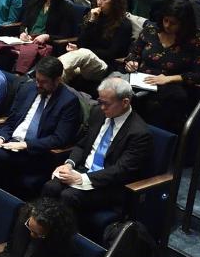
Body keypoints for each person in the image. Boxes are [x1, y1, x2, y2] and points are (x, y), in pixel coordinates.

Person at [0, 57, 85, 194]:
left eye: (43, 82)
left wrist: (26, 145)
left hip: (34, 152)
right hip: (9, 144)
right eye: (37, 79)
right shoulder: (28, 89)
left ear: (57, 80)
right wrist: (1, 136)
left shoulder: (68, 102)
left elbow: (59, 138)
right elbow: (12, 120)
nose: (38, 84)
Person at [43, 77, 153, 215]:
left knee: (68, 196)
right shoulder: (98, 113)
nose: (102, 107)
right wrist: (69, 164)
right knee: (51, 187)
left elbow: (122, 170)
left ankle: (63, 234)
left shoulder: (139, 133)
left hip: (109, 184)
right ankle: (42, 229)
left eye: (107, 104)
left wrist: (83, 179)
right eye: (100, 102)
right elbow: (82, 144)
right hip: (83, 170)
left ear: (125, 102)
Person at [125, 0, 200, 131]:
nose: (167, 26)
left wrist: (168, 79)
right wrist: (132, 62)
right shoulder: (151, 30)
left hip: (171, 86)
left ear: (184, 24)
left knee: (160, 102)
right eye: (165, 20)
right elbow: (133, 52)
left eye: (173, 23)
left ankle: (154, 137)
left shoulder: (197, 41)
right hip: (142, 79)